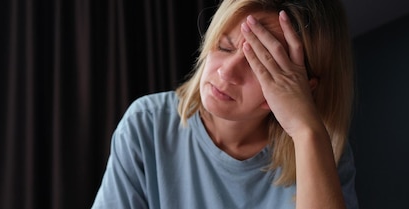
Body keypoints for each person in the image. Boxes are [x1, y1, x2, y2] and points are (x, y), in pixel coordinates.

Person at [92, 0, 358, 208]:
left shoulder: (323, 145)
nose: (225, 73)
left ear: (303, 90)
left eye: (258, 67)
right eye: (224, 47)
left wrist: (306, 131)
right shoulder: (146, 124)